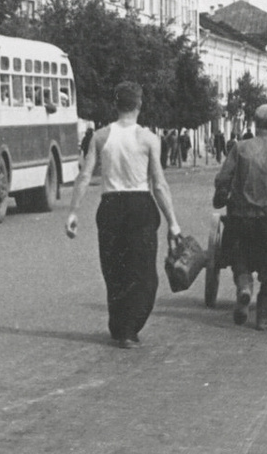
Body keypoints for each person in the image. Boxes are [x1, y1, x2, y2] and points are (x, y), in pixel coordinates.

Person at [65, 82, 182, 349]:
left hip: (110, 206)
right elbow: (159, 184)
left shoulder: (100, 137)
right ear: (139, 104)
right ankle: (129, 329)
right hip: (140, 205)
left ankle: (119, 326)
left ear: (115, 105)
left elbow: (84, 175)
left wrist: (73, 212)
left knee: (114, 269)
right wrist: (173, 222)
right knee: (143, 273)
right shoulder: (149, 139)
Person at [212, 103, 267, 331]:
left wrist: (221, 197)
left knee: (240, 258)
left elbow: (223, 180)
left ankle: (244, 286)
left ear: (256, 124)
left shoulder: (239, 148)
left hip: (240, 217)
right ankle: (264, 317)